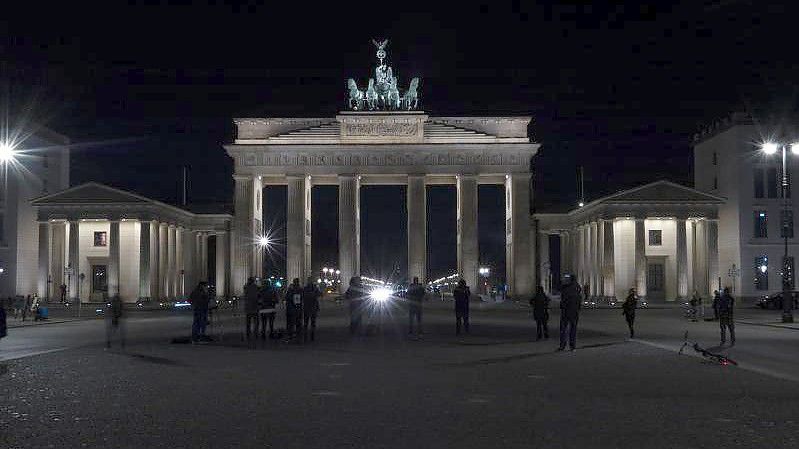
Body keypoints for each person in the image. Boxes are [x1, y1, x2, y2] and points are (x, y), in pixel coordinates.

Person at [559, 275, 582, 351]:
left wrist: (562, 307)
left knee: (563, 329)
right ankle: (572, 346)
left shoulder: (565, 288)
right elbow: (579, 301)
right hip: (574, 312)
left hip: (566, 311)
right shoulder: (577, 289)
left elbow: (563, 300)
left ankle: (562, 345)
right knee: (573, 329)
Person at [302, 277, 321, 341]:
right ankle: (312, 336)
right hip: (313, 307)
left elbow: (302, 296)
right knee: (312, 322)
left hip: (307, 307)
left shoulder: (305, 288)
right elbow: (320, 294)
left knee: (306, 323)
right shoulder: (315, 288)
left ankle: (305, 336)